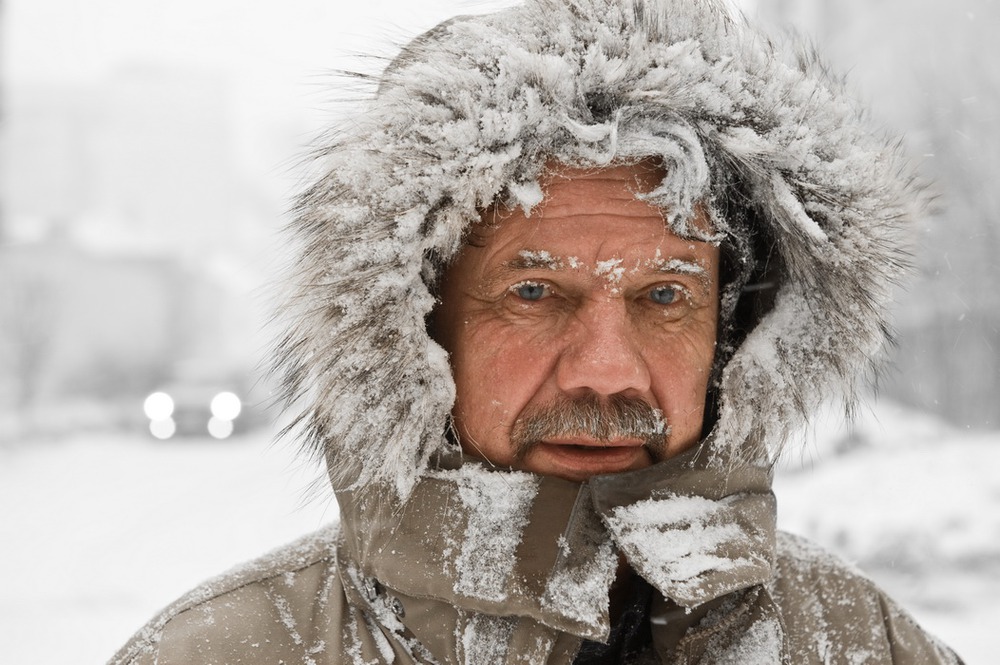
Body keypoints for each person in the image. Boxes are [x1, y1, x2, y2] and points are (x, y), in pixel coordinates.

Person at [111, 0, 964, 663]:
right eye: (533, 290)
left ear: (734, 334)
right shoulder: (221, 650)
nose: (607, 372)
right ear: (415, 333)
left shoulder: (854, 638)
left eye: (665, 297)